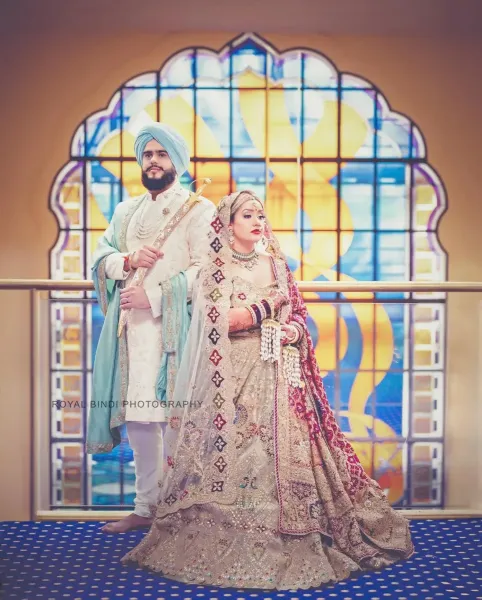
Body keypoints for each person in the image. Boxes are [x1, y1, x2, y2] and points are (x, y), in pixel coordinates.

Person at [121, 189, 414, 589]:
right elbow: (220, 322)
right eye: (247, 215)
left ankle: (295, 527)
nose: (258, 221)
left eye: (260, 214)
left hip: (278, 369)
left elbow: (295, 316)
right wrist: (265, 309)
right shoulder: (214, 268)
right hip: (232, 372)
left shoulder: (276, 265)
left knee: (282, 448)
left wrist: (290, 327)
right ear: (228, 224)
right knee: (238, 445)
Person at [86, 122, 215, 534]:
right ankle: (146, 509)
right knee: (141, 419)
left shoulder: (199, 209)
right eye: (147, 154)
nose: (153, 161)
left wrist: (156, 298)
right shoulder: (126, 211)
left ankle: (184, 512)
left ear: (176, 161)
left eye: (161, 154)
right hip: (129, 331)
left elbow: (207, 270)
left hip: (177, 329)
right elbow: (101, 255)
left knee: (180, 420)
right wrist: (126, 261)